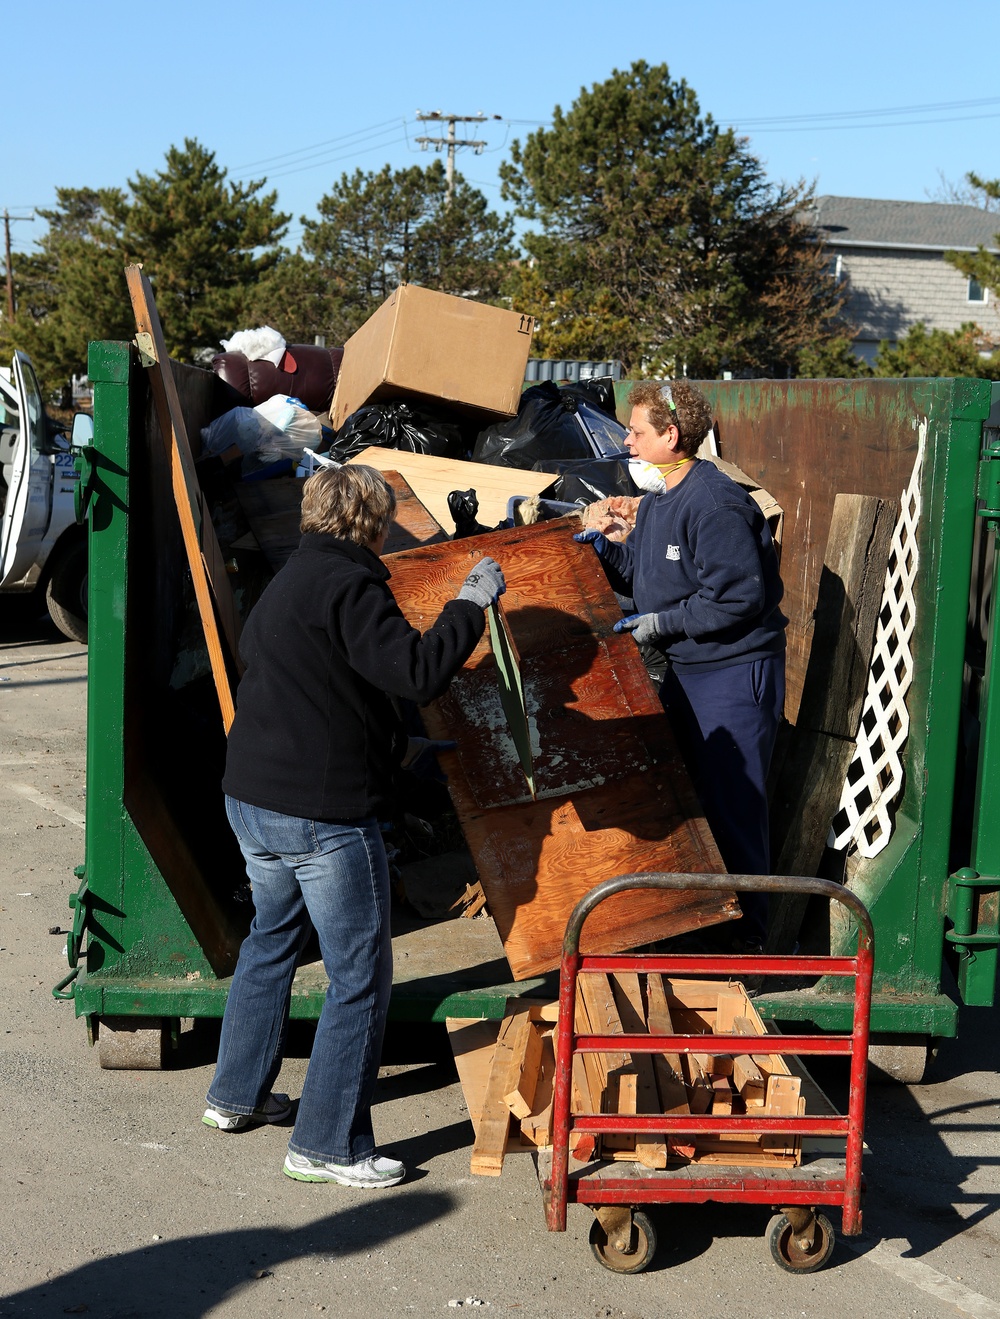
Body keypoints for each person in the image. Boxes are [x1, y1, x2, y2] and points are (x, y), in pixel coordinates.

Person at [203, 464, 505, 1187]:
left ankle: (235, 1094)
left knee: (271, 940)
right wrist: (470, 603)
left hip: (251, 796)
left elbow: (320, 681)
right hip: (321, 816)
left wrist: (390, 747)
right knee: (359, 978)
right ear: (370, 522)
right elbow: (416, 670)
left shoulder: (292, 580)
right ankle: (327, 1145)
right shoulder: (352, 584)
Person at [575, 380, 786, 943]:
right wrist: (605, 552)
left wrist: (661, 624)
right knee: (691, 803)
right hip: (689, 673)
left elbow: (738, 597)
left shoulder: (714, 502)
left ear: (671, 435)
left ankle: (749, 944)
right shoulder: (666, 497)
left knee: (733, 808)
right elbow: (654, 582)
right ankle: (703, 927)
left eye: (638, 432)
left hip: (732, 676)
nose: (627, 442)